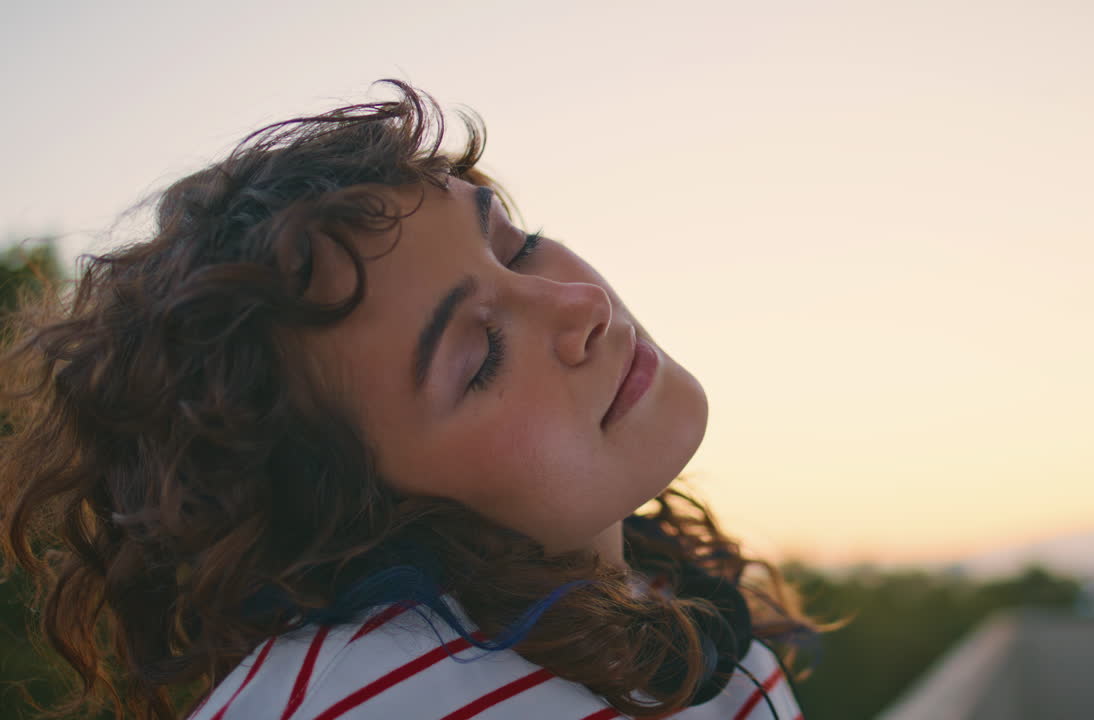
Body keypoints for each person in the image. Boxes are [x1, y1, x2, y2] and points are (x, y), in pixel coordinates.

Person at [0, 80, 815, 720]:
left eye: (516, 246)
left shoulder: (673, 606)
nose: (578, 305)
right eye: (480, 356)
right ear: (350, 515)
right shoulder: (376, 697)